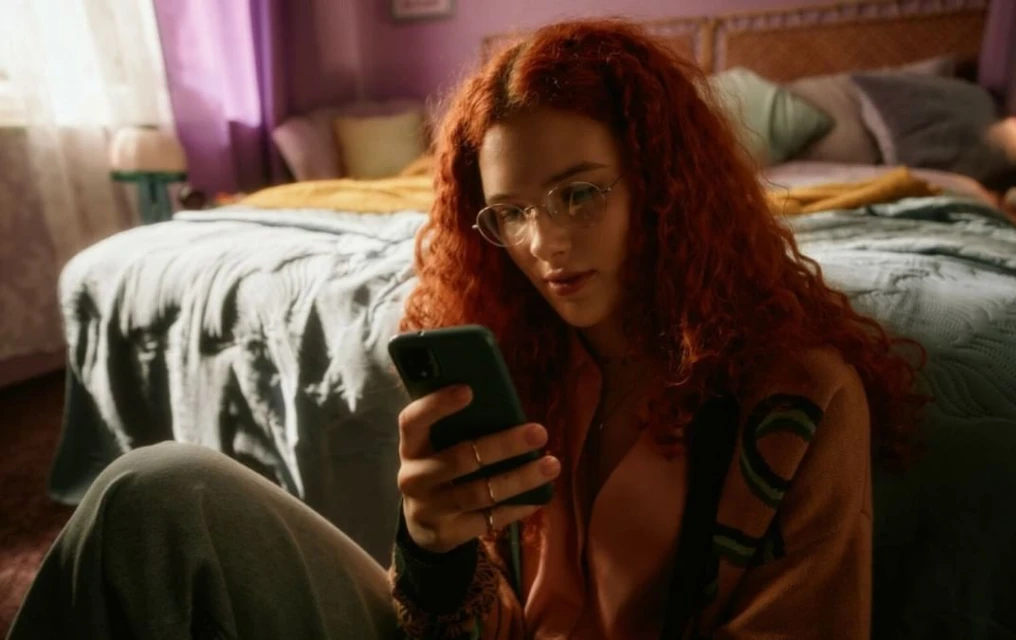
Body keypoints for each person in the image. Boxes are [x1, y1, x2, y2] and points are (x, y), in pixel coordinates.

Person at [7, 19, 923, 640]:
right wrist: (431, 546)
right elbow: (455, 623)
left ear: (665, 187)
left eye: (579, 194)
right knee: (153, 491)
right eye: (511, 212)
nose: (544, 246)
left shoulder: (798, 398)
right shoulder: (519, 360)